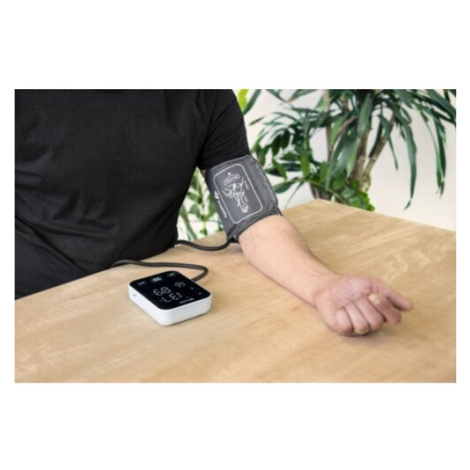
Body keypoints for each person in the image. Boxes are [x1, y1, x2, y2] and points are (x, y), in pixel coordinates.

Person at [15, 89, 413, 336]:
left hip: (148, 296)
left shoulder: (204, 93)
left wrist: (323, 286)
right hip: (28, 303)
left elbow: (255, 219)